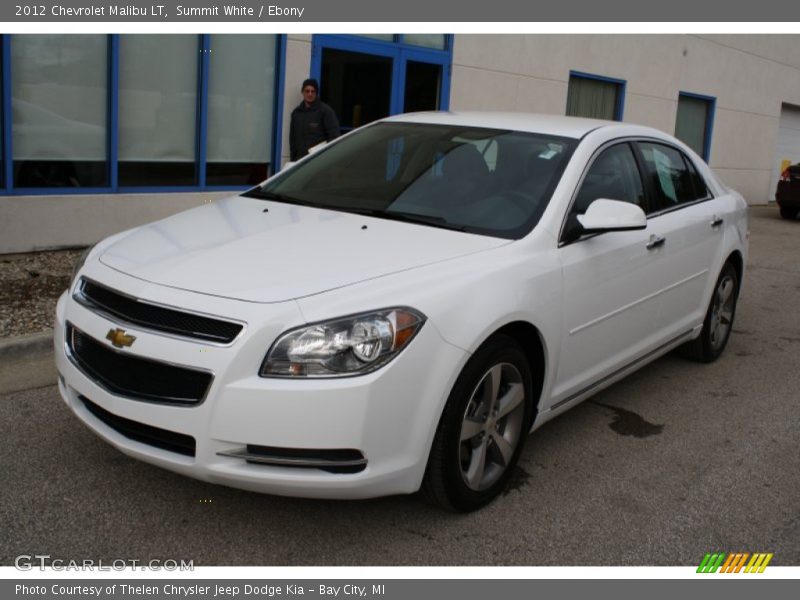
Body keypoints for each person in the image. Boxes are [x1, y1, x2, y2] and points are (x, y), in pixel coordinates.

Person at [289, 78, 340, 161]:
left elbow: (334, 137)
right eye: (307, 91)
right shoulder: (296, 113)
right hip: (299, 161)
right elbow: (292, 141)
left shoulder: (325, 111)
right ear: (302, 92)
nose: (310, 94)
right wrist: (293, 159)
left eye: (313, 91)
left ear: (316, 93)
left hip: (318, 161)